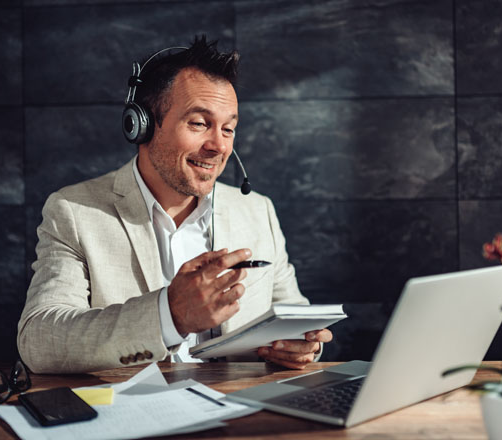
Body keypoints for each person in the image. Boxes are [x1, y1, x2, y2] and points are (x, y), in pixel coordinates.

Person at [17, 36, 332, 374]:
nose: (218, 146)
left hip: (240, 411)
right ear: (142, 125)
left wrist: (301, 345)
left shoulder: (258, 211)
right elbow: (39, 339)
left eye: (228, 129)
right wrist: (170, 315)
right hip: (134, 415)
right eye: (199, 123)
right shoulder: (74, 212)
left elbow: (291, 312)